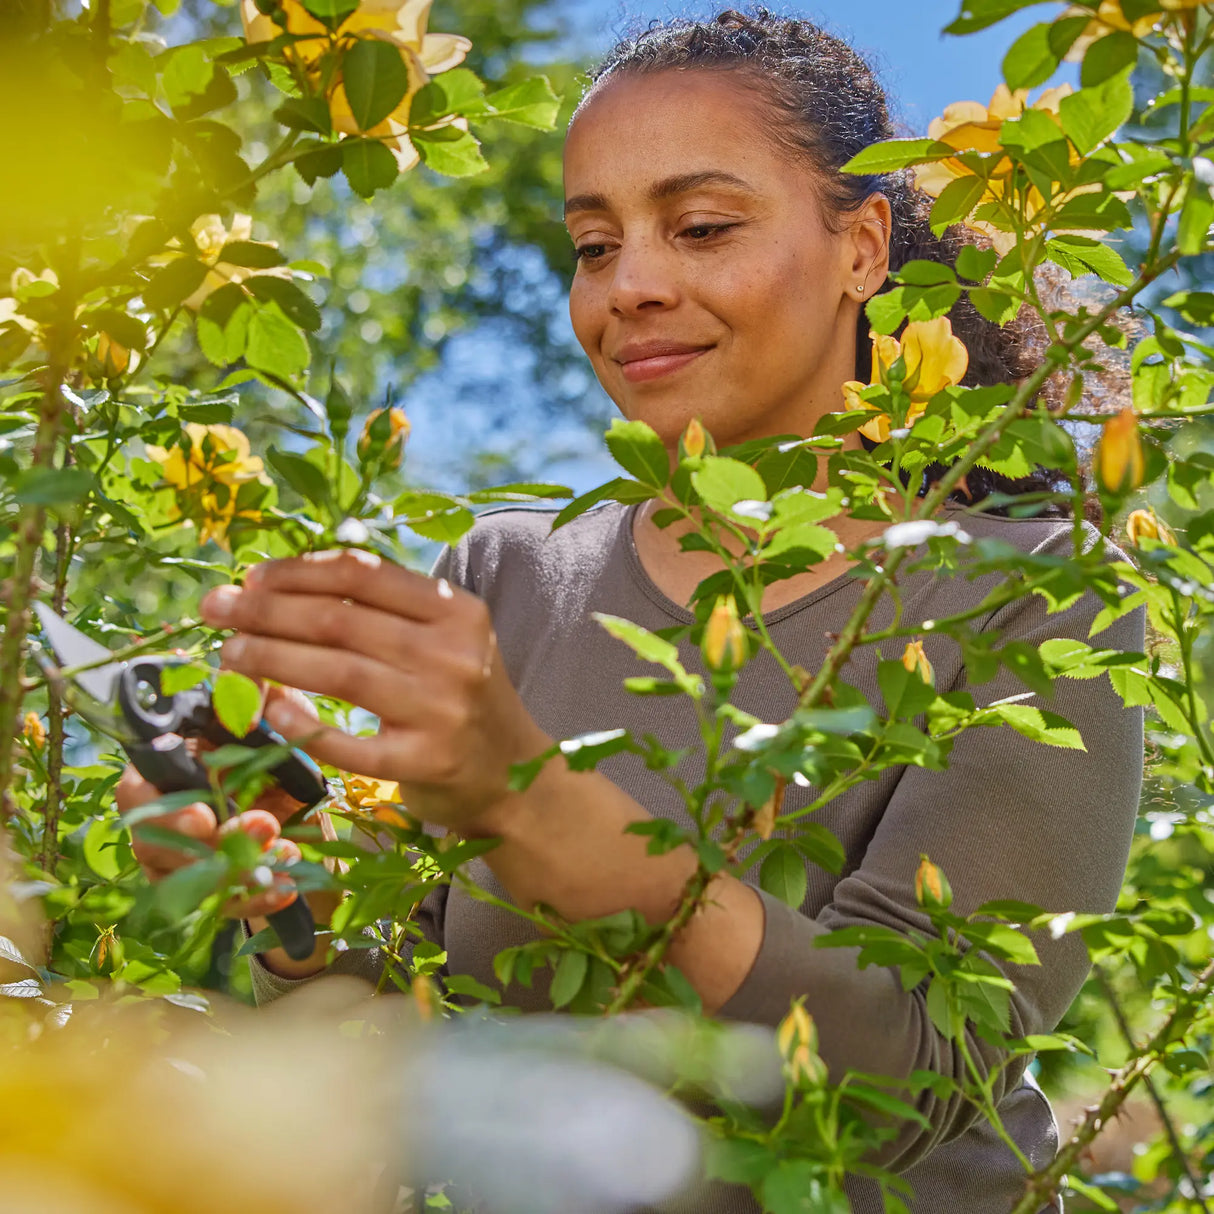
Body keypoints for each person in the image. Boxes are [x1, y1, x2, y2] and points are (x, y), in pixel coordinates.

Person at [116, 10, 1144, 1212]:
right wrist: (282, 900)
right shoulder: (503, 571)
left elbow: (908, 1081)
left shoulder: (1021, 591)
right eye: (592, 245)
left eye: (699, 227)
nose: (630, 286)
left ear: (863, 247)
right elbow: (406, 1039)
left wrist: (531, 804)